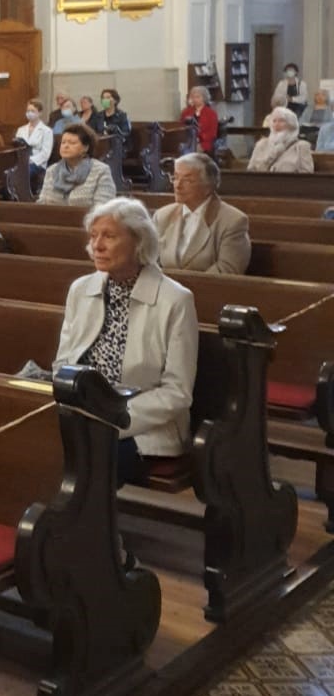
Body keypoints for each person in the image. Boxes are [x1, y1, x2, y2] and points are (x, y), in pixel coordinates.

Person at [54, 198, 198, 487]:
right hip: (82, 414)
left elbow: (177, 392)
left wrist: (111, 418)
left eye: (109, 236)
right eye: (93, 236)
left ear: (139, 242)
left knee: (85, 459)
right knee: (31, 444)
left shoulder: (175, 300)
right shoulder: (81, 290)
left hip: (143, 427)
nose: (97, 246)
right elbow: (63, 363)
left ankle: (87, 517)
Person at [153, 153, 251, 275]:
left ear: (208, 186)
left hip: (208, 287)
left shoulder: (233, 221)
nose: (177, 185)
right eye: (175, 178)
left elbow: (227, 270)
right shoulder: (162, 216)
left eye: (187, 180)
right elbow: (151, 261)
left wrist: (186, 285)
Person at [39, 122, 117, 208]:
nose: (66, 146)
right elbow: (42, 204)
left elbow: (104, 208)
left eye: (72, 143)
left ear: (85, 147)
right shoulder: (51, 171)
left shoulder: (100, 171)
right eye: (63, 142)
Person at [247, 106, 315, 174]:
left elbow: (307, 174)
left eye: (281, 121)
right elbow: (250, 171)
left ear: (291, 124)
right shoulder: (261, 145)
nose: (277, 124)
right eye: (274, 121)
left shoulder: (301, 147)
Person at [15, 99, 54, 177]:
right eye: (28, 111)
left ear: (40, 113)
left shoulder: (47, 131)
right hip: (21, 161)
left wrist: (29, 160)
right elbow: (16, 147)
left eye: (32, 111)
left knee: (22, 172)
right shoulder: (21, 129)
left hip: (37, 163)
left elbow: (45, 153)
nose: (29, 113)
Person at [180, 86, 220, 156]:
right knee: (181, 149)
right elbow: (181, 127)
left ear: (204, 98)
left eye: (198, 97)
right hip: (187, 141)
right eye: (193, 97)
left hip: (204, 142)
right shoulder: (186, 112)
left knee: (191, 152)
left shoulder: (211, 113)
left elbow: (212, 133)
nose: (195, 99)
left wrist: (199, 138)